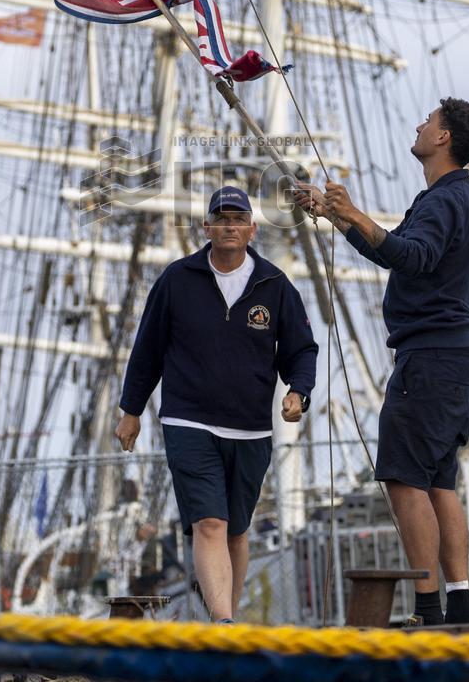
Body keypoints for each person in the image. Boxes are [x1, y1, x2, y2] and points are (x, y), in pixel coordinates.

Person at [297, 97, 469, 626]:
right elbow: (392, 251)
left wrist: (353, 210)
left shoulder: (443, 203)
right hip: (450, 359)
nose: (419, 123)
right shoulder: (451, 199)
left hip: (428, 359)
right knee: (438, 481)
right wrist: (340, 216)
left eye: (428, 119)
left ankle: (428, 609)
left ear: (444, 138)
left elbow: (412, 256)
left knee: (405, 478)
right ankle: (459, 606)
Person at [115, 185, 318, 623]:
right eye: (220, 219)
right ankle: (224, 624)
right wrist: (131, 410)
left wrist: (298, 390)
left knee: (237, 532)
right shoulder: (176, 280)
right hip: (188, 421)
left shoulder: (274, 285)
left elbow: (302, 349)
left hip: (250, 428)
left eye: (237, 219)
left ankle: (226, 619)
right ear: (206, 227)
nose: (228, 226)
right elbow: (147, 347)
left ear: (252, 229)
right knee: (210, 523)